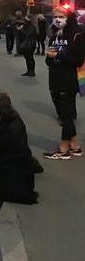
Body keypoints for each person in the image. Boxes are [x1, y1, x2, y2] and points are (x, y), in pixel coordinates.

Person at [43, 12, 84, 160]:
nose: (57, 19)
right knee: (63, 113)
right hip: (54, 79)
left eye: (61, 16)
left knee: (66, 115)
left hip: (69, 79)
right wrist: (49, 57)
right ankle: (75, 145)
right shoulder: (54, 37)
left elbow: (78, 60)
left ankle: (63, 148)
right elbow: (49, 61)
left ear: (69, 18)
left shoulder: (77, 36)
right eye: (55, 16)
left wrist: (59, 56)